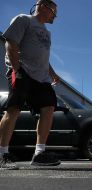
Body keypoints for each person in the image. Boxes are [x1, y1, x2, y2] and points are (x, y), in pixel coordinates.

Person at [0, 0, 61, 170]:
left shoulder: (47, 33)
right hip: (22, 70)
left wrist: (53, 74)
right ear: (41, 6)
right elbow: (10, 43)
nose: (54, 16)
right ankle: (2, 153)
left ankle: (39, 154)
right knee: (14, 109)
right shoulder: (23, 20)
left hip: (41, 78)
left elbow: (43, 58)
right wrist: (17, 69)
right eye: (53, 11)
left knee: (48, 108)